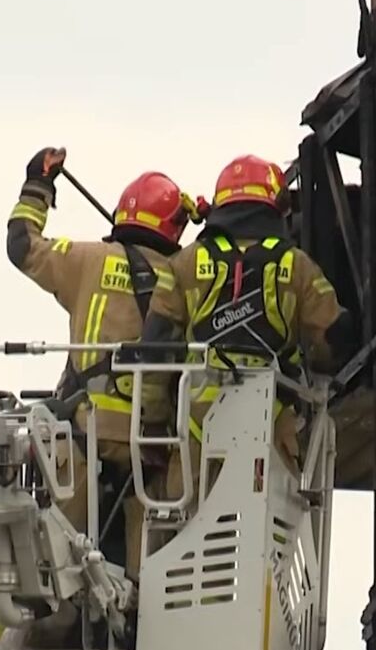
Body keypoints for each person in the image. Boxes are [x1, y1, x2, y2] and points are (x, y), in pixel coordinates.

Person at [6, 146, 204, 596]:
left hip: (82, 437)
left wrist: (38, 183)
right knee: (145, 593)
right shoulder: (187, 278)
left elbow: (21, 245)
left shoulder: (86, 260)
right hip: (152, 451)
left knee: (56, 580)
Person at [143, 154, 358, 499]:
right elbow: (332, 338)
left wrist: (152, 423)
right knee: (269, 535)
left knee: (181, 530)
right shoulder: (297, 265)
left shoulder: (183, 263)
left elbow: (154, 349)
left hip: (196, 428)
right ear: (275, 204)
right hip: (270, 425)